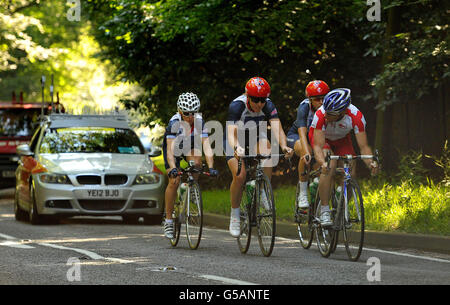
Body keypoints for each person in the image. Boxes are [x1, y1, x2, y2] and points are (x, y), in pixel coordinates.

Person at [225, 77, 293, 238]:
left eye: (263, 100)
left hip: (256, 135)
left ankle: (262, 190)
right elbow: (230, 134)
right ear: (248, 96)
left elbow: (278, 129)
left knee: (267, 147)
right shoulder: (237, 105)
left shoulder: (268, 105)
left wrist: (284, 146)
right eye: (256, 100)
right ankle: (235, 215)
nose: (260, 104)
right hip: (235, 139)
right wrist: (236, 147)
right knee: (240, 175)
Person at [310, 88, 379, 226]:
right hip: (324, 141)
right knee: (330, 166)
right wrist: (322, 163)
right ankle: (324, 210)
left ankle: (341, 205)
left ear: (342, 112)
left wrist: (371, 163)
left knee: (350, 171)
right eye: (326, 111)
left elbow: (364, 147)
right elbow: (317, 146)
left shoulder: (356, 116)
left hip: (342, 140)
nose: (326, 116)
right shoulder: (320, 114)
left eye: (331, 114)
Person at [162, 92, 218, 239]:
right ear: (180, 111)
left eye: (193, 113)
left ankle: (191, 187)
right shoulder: (174, 123)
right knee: (173, 181)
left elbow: (206, 145)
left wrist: (211, 167)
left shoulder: (199, 122)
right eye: (186, 113)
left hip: (189, 146)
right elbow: (169, 151)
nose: (190, 117)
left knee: (197, 162)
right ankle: (168, 220)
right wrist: (173, 168)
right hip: (173, 148)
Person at [286, 80, 330, 209]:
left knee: (323, 160)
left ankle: (317, 190)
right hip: (298, 135)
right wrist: (306, 153)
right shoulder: (304, 107)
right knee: (307, 153)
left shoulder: (330, 107)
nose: (321, 102)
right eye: (317, 99)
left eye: (324, 98)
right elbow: (302, 133)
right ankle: (303, 192)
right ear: (310, 99)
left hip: (316, 137)